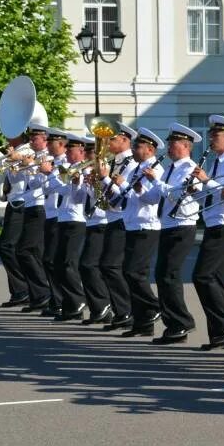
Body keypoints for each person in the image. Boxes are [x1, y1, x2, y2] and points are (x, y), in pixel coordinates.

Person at [139, 123, 202, 345]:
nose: (168, 146)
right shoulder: (171, 168)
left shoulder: (189, 168)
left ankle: (181, 322)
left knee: (169, 274)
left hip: (182, 225)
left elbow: (177, 195)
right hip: (167, 224)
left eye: (172, 143)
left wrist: (155, 181)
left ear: (185, 146)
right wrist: (141, 190)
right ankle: (173, 324)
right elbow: (155, 198)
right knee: (162, 274)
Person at [191, 115, 224, 350]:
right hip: (212, 222)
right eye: (211, 134)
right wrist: (194, 190)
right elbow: (209, 195)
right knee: (216, 280)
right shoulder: (215, 161)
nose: (211, 138)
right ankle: (221, 333)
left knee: (202, 276)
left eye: (216, 135)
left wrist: (206, 181)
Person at [108, 128, 163, 338]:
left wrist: (129, 188)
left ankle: (153, 307)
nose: (134, 149)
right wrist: (109, 182)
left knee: (134, 272)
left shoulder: (155, 169)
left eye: (138, 146)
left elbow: (151, 199)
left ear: (149, 149)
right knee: (128, 273)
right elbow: (125, 197)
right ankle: (143, 322)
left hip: (146, 226)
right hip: (131, 224)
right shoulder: (137, 168)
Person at [97, 122, 138, 331]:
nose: (107, 142)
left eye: (112, 139)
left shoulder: (131, 165)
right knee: (109, 266)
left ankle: (126, 311)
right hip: (112, 218)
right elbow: (111, 193)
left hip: (122, 219)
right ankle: (121, 311)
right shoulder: (114, 162)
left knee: (111, 266)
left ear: (125, 140)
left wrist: (105, 179)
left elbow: (125, 196)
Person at [45, 133, 89, 321]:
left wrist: (77, 183)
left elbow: (79, 198)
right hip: (63, 218)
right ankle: (69, 303)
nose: (68, 153)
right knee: (59, 263)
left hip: (76, 219)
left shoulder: (85, 169)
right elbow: (58, 190)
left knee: (68, 263)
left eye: (70, 150)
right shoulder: (69, 168)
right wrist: (50, 174)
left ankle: (77, 301)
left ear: (80, 151)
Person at [14, 123, 52, 312]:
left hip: (40, 208)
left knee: (26, 251)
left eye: (34, 138)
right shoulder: (33, 157)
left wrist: (31, 167)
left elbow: (44, 183)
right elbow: (18, 181)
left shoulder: (48, 158)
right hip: (29, 206)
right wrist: (17, 166)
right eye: (30, 137)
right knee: (30, 252)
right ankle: (38, 295)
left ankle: (42, 293)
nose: (31, 141)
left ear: (44, 139)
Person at [79, 136, 114, 325]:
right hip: (92, 222)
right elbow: (89, 198)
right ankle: (98, 308)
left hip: (102, 222)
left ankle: (103, 305)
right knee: (88, 266)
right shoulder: (90, 172)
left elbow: (105, 202)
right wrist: (84, 184)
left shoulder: (104, 170)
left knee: (89, 265)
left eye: (91, 153)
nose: (87, 156)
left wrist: (96, 182)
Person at [0, 140, 30, 307]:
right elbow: (6, 169)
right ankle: (21, 290)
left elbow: (32, 165)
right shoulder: (16, 150)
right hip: (14, 202)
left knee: (7, 246)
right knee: (12, 247)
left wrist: (18, 157)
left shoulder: (29, 149)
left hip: (22, 202)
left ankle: (23, 289)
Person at [38, 128, 70, 317]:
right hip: (50, 213)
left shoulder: (66, 164)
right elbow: (44, 188)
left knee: (54, 260)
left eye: (51, 143)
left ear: (61, 145)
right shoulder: (53, 162)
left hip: (60, 215)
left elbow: (64, 188)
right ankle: (56, 299)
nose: (48, 145)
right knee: (49, 260)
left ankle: (60, 300)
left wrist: (49, 173)